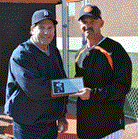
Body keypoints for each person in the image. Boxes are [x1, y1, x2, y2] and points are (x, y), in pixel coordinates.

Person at [4, 9, 68, 139]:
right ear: (32, 29)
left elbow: (61, 80)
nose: (47, 32)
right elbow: (35, 88)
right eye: (42, 28)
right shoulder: (22, 54)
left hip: (49, 123)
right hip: (27, 125)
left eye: (50, 28)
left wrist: (62, 115)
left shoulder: (53, 51)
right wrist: (68, 87)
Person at [70, 4, 132, 139]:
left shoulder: (115, 49)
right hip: (85, 126)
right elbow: (79, 83)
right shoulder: (79, 54)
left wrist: (92, 94)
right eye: (84, 22)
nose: (88, 25)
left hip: (108, 127)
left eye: (92, 21)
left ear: (101, 23)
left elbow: (123, 87)